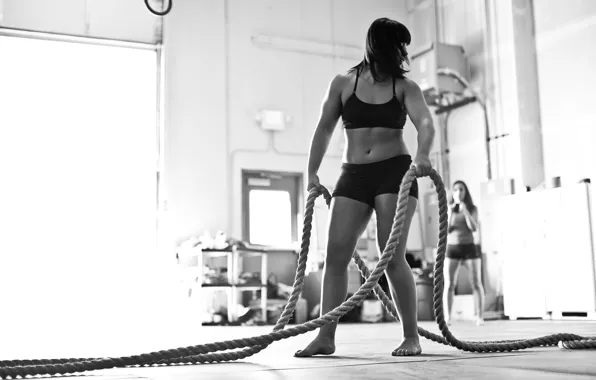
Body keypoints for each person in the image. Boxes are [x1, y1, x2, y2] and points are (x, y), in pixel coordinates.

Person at [295, 17, 435, 358]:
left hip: (395, 173)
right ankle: (325, 336)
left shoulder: (405, 87)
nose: (402, 53)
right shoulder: (344, 83)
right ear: (379, 46)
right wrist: (311, 172)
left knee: (392, 258)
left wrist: (423, 155)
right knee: (336, 255)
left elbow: (426, 122)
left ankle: (410, 336)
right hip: (353, 175)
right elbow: (324, 128)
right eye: (397, 46)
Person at [444, 180, 485, 326]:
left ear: (465, 192)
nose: (458, 192)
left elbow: (474, 228)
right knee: (449, 284)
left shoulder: (472, 208)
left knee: (476, 282)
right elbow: (445, 230)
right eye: (455, 190)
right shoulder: (449, 209)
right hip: (453, 248)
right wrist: (449, 212)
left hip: (469, 248)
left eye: (461, 189)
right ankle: (448, 316)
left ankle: (479, 316)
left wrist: (465, 210)